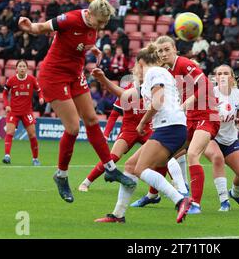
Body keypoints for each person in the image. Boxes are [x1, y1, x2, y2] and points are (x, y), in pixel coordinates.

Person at [18, 0, 136, 204]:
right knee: (72, 128)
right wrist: (29, 26)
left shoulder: (95, 22)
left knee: (91, 120)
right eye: (99, 23)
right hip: (53, 76)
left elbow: (81, 40)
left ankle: (110, 168)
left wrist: (90, 49)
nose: (101, 28)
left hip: (74, 74)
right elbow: (42, 28)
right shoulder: (70, 19)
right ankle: (61, 175)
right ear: (90, 15)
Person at [94, 45, 192, 223]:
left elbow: (158, 101)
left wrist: (142, 121)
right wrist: (103, 80)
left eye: (135, 66)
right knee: (131, 166)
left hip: (169, 127)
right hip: (169, 128)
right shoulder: (150, 78)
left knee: (140, 169)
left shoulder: (155, 72)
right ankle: (118, 215)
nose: (134, 70)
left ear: (140, 63)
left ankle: (180, 199)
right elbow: (125, 95)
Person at [155, 35, 220, 214]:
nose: (163, 53)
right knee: (163, 156)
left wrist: (186, 103)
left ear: (175, 49)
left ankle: (195, 204)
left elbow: (205, 85)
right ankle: (160, 193)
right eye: (160, 51)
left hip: (207, 114)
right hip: (189, 117)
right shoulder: (167, 71)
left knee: (192, 154)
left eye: (167, 49)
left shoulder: (183, 63)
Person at [78, 65, 152, 192]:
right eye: (139, 71)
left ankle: (163, 190)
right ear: (133, 72)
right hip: (129, 129)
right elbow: (114, 115)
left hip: (148, 129)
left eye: (144, 72)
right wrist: (105, 135)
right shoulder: (126, 91)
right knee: (112, 157)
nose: (142, 74)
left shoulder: (152, 89)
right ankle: (86, 182)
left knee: (163, 156)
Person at [203, 65, 239, 212]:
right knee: (218, 158)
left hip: (230, 139)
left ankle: (235, 194)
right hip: (210, 135)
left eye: (226, 73)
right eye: (219, 74)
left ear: (232, 77)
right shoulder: (209, 93)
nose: (222, 76)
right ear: (215, 78)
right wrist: (219, 117)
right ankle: (224, 201)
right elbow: (205, 117)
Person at [2, 60, 44, 166]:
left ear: (27, 68)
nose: (22, 68)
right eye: (20, 66)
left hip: (27, 112)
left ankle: (35, 159)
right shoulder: (11, 80)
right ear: (16, 68)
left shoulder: (31, 79)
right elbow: (5, 93)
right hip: (14, 111)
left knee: (32, 135)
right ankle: (7, 156)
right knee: (9, 132)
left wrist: (41, 98)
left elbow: (39, 90)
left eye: (24, 66)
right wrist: (6, 105)